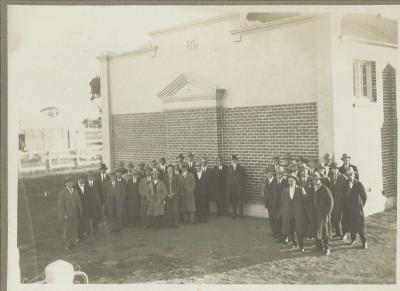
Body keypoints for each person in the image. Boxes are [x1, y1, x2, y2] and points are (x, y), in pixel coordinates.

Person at [279, 175, 307, 252]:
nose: (290, 182)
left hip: (298, 214)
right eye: (289, 180)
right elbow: (283, 201)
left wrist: (302, 212)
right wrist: (283, 211)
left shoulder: (300, 189)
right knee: (291, 229)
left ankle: (302, 246)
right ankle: (294, 242)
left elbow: (305, 202)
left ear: (295, 181)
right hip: (289, 214)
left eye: (292, 180)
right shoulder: (285, 190)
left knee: (300, 230)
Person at [343, 167, 368, 249]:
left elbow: (364, 196)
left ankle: (364, 242)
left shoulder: (359, 184)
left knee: (360, 226)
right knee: (351, 225)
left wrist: (360, 205)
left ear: (354, 175)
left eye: (351, 175)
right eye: (348, 175)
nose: (350, 176)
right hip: (349, 209)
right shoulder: (345, 184)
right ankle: (353, 239)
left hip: (357, 209)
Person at [311, 172, 334, 255]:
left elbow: (331, 203)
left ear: (319, 180)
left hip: (324, 215)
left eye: (316, 179)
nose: (314, 181)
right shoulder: (313, 189)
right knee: (317, 230)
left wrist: (327, 213)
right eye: (313, 180)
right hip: (316, 214)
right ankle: (319, 246)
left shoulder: (325, 189)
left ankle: (327, 248)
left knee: (325, 231)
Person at [57, 177, 82, 250]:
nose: (70, 184)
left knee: (75, 227)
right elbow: (60, 205)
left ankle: (73, 242)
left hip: (75, 214)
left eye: (71, 182)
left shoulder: (75, 191)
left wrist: (80, 210)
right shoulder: (62, 193)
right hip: (67, 215)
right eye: (68, 182)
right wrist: (64, 214)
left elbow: (78, 202)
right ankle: (67, 244)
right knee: (67, 229)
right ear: (65, 184)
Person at [329, 162, 348, 239]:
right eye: (332, 169)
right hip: (334, 201)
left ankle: (344, 233)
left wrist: (345, 199)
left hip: (342, 201)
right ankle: (338, 233)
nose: (334, 171)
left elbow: (347, 189)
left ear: (338, 170)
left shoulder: (343, 177)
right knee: (335, 217)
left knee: (342, 218)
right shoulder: (331, 178)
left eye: (335, 169)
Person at [226, 154, 247, 219]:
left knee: (240, 201)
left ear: (237, 161)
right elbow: (227, 178)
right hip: (232, 188)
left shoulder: (241, 168)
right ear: (231, 161)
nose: (234, 161)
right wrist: (229, 185)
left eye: (235, 160)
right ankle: (234, 214)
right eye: (233, 160)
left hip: (239, 188)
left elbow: (244, 178)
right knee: (233, 201)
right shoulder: (229, 168)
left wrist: (242, 186)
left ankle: (241, 214)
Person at [298, 165, 315, 240]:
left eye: (304, 170)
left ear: (307, 171)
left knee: (311, 219)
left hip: (310, 203)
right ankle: (305, 234)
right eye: (301, 171)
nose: (303, 172)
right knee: (304, 219)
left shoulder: (311, 179)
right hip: (302, 204)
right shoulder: (298, 180)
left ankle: (311, 235)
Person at [262, 166, 279, 236]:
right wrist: (265, 201)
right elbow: (265, 192)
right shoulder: (267, 181)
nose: (266, 175)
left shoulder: (276, 181)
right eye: (265, 173)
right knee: (271, 218)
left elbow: (277, 194)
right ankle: (274, 232)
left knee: (276, 219)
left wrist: (276, 203)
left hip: (275, 204)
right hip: (269, 204)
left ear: (271, 173)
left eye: (267, 173)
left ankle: (278, 233)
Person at [275, 166, 288, 242]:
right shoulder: (275, 181)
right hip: (276, 205)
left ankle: (285, 237)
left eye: (280, 173)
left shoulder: (286, 182)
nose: (278, 174)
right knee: (278, 221)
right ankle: (280, 236)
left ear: (283, 174)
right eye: (277, 173)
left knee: (284, 221)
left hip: (284, 205)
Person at [75, 174, 88, 241]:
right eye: (81, 178)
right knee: (78, 222)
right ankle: (78, 236)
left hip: (85, 208)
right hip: (77, 208)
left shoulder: (87, 186)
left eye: (84, 179)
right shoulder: (74, 187)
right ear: (78, 178)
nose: (82, 180)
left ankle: (83, 233)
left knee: (84, 220)